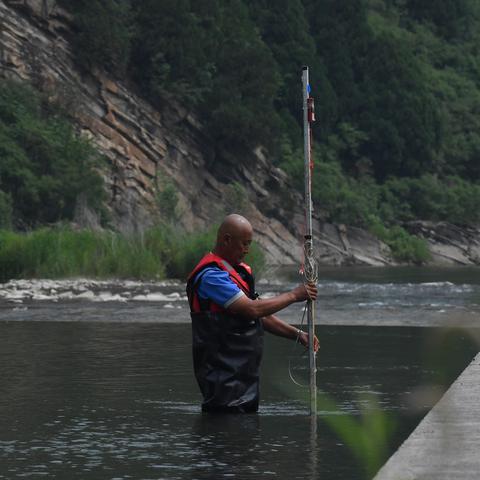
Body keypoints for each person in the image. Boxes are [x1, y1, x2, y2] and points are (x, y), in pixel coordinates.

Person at [186, 214, 319, 413]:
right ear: (227, 240)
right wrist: (293, 295)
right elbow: (251, 309)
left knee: (246, 430)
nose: (247, 250)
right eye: (244, 244)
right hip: (222, 377)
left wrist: (298, 335)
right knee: (227, 427)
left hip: (244, 376)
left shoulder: (238, 273)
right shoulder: (211, 277)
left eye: (249, 244)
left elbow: (261, 315)